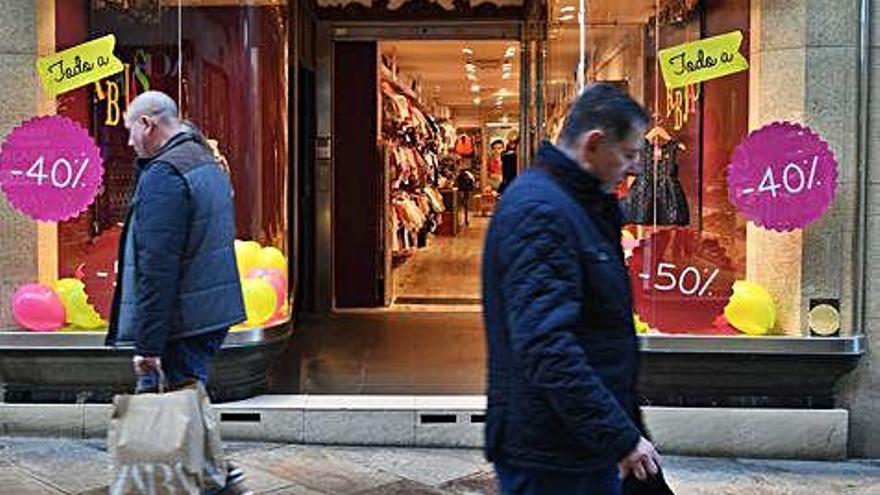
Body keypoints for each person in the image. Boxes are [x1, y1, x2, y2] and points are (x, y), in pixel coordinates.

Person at [482, 83, 663, 495]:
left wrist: (622, 429)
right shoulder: (541, 210)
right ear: (594, 143)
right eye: (630, 153)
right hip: (554, 451)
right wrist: (619, 436)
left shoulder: (578, 204)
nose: (635, 168)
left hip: (580, 440)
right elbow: (546, 345)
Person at [105, 91, 250, 495]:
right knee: (187, 404)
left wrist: (148, 345)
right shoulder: (204, 161)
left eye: (130, 130)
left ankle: (215, 482)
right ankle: (220, 480)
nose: (129, 141)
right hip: (207, 312)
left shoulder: (164, 175)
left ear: (148, 124)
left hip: (182, 320)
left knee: (170, 411)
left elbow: (158, 265)